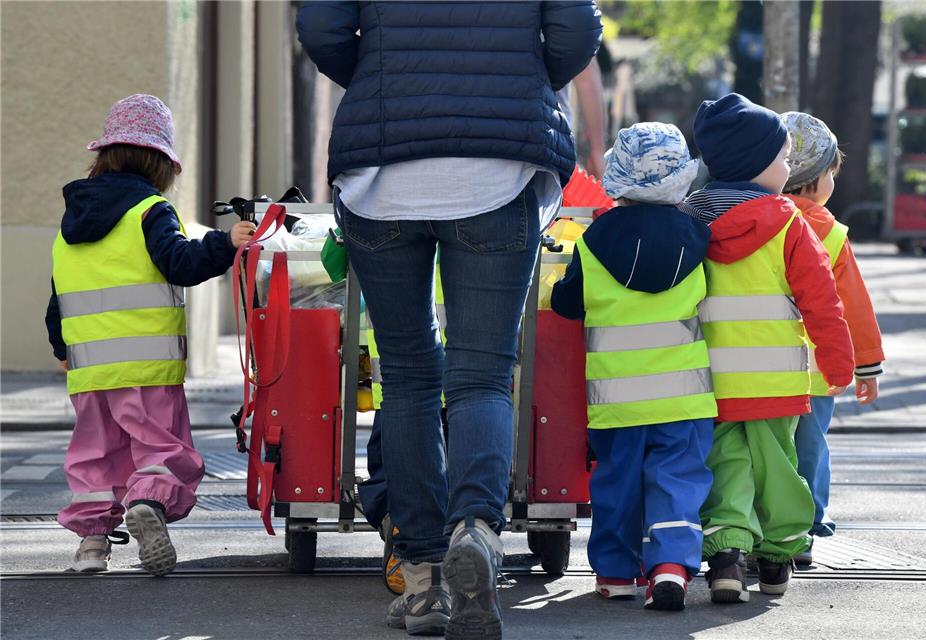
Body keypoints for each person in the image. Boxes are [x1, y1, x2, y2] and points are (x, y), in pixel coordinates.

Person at [297, 2, 602, 637]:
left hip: (381, 172)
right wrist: (524, 78)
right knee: (483, 376)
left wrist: (380, 76)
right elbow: (576, 30)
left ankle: (424, 575)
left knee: (408, 376)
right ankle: (477, 532)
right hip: (500, 164)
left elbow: (321, 26)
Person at [46, 94, 256, 576]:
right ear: (160, 162)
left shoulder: (71, 222)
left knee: (95, 458)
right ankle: (148, 503)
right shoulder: (149, 210)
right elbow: (179, 263)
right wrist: (226, 243)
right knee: (160, 449)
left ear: (104, 155)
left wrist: (62, 348)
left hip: (88, 369)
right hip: (147, 366)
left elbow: (58, 295)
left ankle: (92, 547)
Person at [682, 93, 854, 602]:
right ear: (759, 166)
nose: (788, 166)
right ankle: (778, 558)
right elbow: (822, 301)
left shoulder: (691, 221)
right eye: (782, 157)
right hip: (777, 383)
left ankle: (728, 560)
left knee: (726, 470)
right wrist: (838, 361)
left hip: (708, 383)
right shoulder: (789, 225)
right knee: (778, 468)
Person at [551, 123, 715, 611]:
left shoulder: (593, 240)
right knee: (678, 480)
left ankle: (616, 573)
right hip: (684, 395)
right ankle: (670, 565)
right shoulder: (699, 239)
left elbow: (567, 304)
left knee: (616, 484)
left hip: (616, 401)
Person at [780, 111, 885, 564]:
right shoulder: (831, 233)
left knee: (767, 446)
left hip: (757, 366)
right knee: (811, 445)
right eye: (831, 174)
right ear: (817, 180)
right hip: (819, 371)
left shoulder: (759, 222)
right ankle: (811, 516)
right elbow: (854, 307)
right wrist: (867, 366)